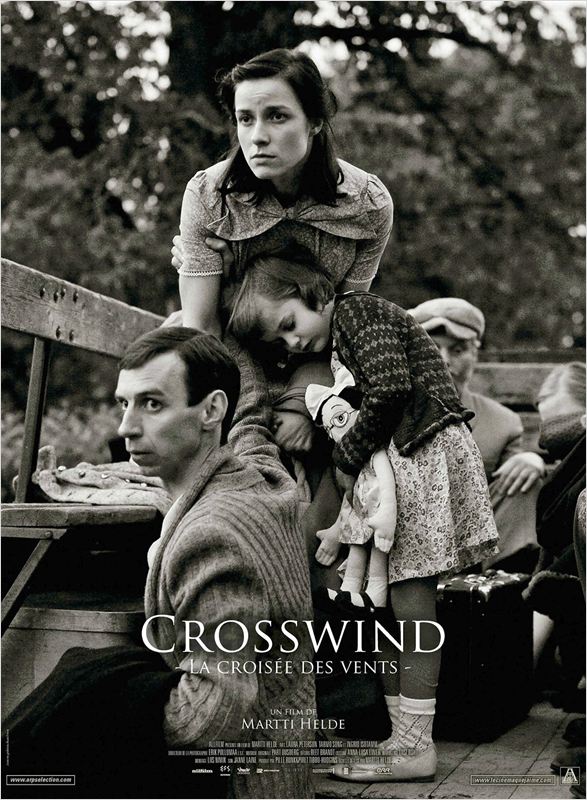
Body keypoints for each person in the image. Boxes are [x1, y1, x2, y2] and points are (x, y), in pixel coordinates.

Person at [226, 253, 499, 782]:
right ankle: (403, 737)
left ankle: (415, 745)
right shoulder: (339, 332)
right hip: (404, 462)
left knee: (413, 605)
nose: (292, 342)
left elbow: (392, 388)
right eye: (280, 340)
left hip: (421, 451)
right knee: (392, 607)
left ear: (315, 292)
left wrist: (347, 456)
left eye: (290, 324)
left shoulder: (358, 313)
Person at [115, 327, 316, 799]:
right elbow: (250, 423)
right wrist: (212, 322)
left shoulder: (210, 536)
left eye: (152, 404)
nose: (125, 427)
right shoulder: (265, 477)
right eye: (123, 404)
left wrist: (104, 716)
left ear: (211, 411)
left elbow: (210, 718)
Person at [173, 46, 392, 366]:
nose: (258, 137)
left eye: (277, 116)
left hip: (318, 363)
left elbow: (345, 321)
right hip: (228, 354)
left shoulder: (368, 206)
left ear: (314, 121)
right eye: (245, 119)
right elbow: (202, 331)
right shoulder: (210, 198)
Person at [410, 297, 546, 571]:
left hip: (473, 552)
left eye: (458, 350)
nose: (444, 360)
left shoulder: (504, 423)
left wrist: (532, 461)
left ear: (475, 355)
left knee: (525, 482)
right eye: (432, 348)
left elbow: (510, 500)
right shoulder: (386, 411)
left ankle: (493, 588)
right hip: (402, 538)